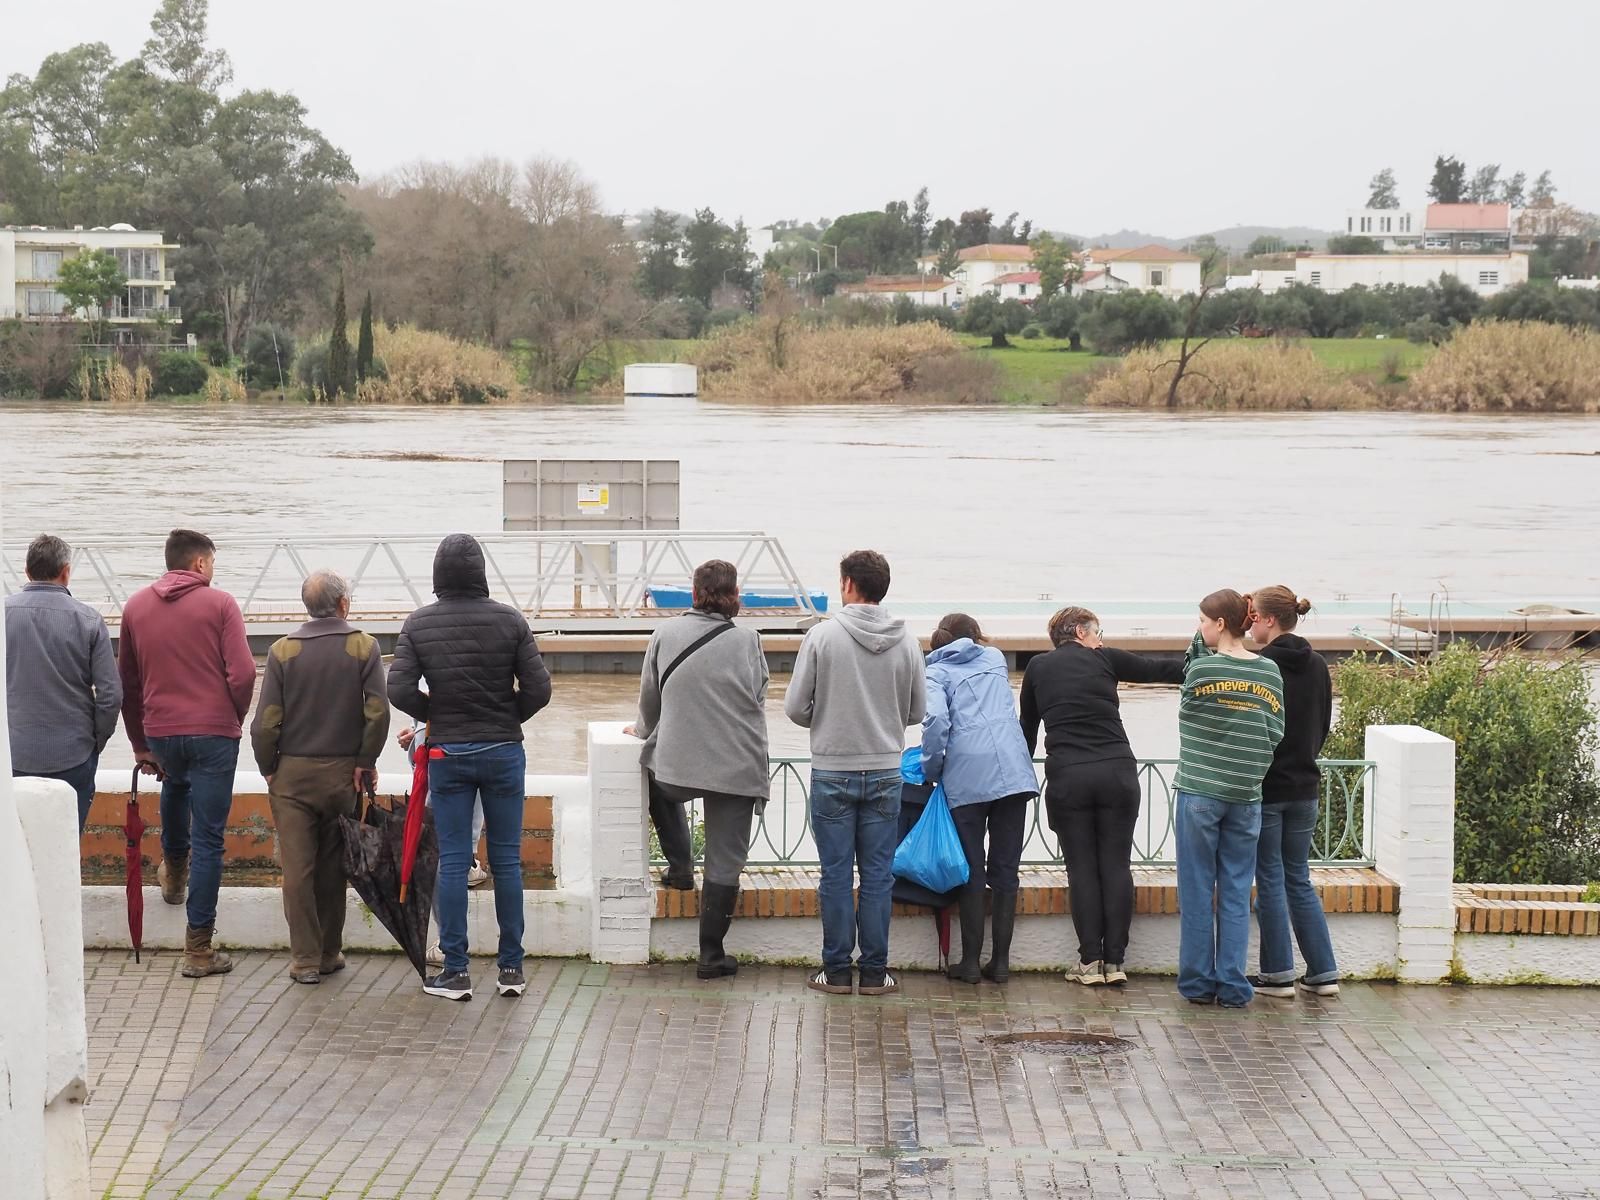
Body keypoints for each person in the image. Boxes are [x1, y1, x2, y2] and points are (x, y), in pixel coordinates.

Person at [388, 533, 552, 1002]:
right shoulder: (511, 620)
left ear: (438, 575)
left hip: (449, 756)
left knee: (453, 860)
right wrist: (504, 717)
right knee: (506, 861)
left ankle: (456, 972)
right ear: (481, 573)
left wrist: (438, 715)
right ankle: (512, 970)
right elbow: (539, 691)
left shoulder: (419, 624)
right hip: (504, 753)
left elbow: (398, 689)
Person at [1020, 606, 1183, 987]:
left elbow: (1027, 728)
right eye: (1097, 633)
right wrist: (1208, 660)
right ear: (1079, 631)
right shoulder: (1105, 659)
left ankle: (1089, 963)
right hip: (1117, 773)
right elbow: (1156, 669)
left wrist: (1019, 777)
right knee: (1116, 865)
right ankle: (1116, 963)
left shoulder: (1038, 668)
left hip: (1069, 778)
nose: (1101, 640)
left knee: (1081, 869)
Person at [785, 550, 924, 997]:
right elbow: (918, 710)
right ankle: (876, 972)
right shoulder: (907, 641)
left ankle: (837, 971)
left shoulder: (822, 637)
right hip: (886, 770)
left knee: (836, 874)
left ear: (847, 585)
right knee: (879, 875)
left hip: (832, 770)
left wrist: (828, 720)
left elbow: (794, 708)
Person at [118, 528, 256, 979]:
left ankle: (174, 870)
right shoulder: (220, 605)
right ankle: (198, 949)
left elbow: (129, 685)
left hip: (161, 730)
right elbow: (243, 672)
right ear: (199, 564)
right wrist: (230, 716)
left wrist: (140, 743)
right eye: (212, 563)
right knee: (211, 840)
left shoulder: (136, 607)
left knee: (175, 783)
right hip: (213, 731)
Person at [628, 559, 769, 980]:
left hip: (677, 765)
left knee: (654, 780)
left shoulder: (664, 633)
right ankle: (711, 955)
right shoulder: (748, 640)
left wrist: (641, 730)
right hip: (737, 766)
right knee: (725, 861)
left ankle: (681, 868)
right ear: (734, 595)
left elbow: (649, 706)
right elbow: (758, 695)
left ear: (694, 593)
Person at [249, 570, 390, 984]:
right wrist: (366, 761)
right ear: (343, 604)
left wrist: (268, 768)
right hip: (343, 774)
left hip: (292, 776)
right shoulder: (365, 646)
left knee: (298, 869)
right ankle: (330, 952)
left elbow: (266, 723)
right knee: (334, 866)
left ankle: (305, 960)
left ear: (306, 607)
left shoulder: (283, 650)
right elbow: (378, 712)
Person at [1174, 588, 1285, 1009]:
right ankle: (1234, 985)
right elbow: (1276, 730)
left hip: (1200, 789)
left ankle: (1198, 983)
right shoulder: (1270, 671)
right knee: (1238, 890)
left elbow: (1186, 706)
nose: (1199, 628)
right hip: (1246, 793)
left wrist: (1201, 644)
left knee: (1198, 889)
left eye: (1202, 621)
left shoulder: (1203, 671)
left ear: (1219, 624)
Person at [921, 613, 1037, 985]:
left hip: (967, 776)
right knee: (1006, 871)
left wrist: (931, 770)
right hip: (1014, 773)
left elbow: (936, 722)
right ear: (975, 636)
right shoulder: (995, 659)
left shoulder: (935, 674)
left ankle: (969, 963)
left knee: (971, 868)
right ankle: (1000, 964)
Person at [1247, 585, 1340, 999]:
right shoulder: (1318, 664)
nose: (1248, 622)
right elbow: (1322, 723)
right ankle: (1323, 972)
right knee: (1297, 877)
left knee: (1269, 878)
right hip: (1306, 786)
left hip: (1268, 788)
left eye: (1252, 615)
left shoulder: (1261, 665)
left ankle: (1278, 973)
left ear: (1269, 619)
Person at [4, 534, 121, 830]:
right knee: (66, 841)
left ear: (27, 571)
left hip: (12, 752)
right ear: (66, 572)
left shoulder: (4, 614)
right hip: (73, 753)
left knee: (16, 842)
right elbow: (110, 695)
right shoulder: (90, 620)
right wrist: (97, 740)